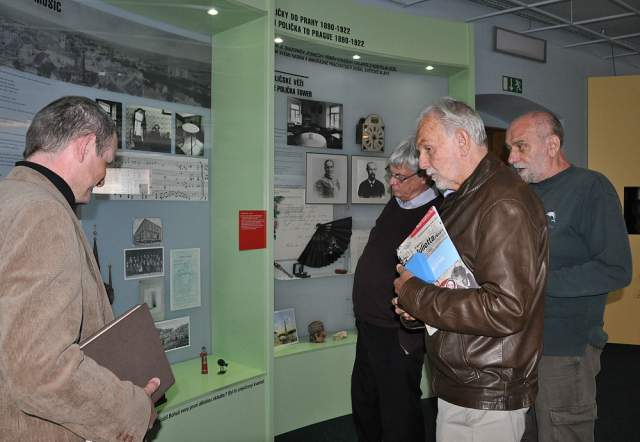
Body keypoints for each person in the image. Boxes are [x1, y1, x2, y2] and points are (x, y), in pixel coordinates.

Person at [0, 96, 160, 441]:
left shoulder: (9, 198)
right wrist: (132, 410)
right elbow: (40, 370)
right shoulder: (43, 214)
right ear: (85, 145)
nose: (102, 180)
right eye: (107, 161)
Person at [392, 98, 549, 442]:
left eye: (428, 149)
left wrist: (416, 294)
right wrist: (415, 307)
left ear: (462, 141)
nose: (422, 163)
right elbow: (461, 286)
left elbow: (506, 308)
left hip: (486, 391)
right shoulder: (466, 197)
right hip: (467, 383)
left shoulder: (502, 202)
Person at [506, 111, 632, 442]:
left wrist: (536, 283)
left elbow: (616, 269)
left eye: (520, 146)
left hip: (564, 348)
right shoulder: (522, 194)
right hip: (519, 344)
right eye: (510, 148)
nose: (511, 157)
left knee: (562, 433)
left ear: (552, 145)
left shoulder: (590, 188)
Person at [351, 138, 442, 442]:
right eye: (391, 174)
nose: (391, 183)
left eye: (400, 177)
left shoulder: (436, 213)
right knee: (365, 402)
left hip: (398, 331)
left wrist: (409, 337)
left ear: (424, 176)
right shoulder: (397, 203)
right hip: (369, 324)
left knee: (398, 412)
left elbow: (436, 279)